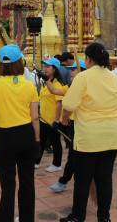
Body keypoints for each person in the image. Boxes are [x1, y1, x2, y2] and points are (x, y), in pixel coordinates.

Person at [60, 43, 117, 222]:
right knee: (104, 178)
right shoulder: (114, 77)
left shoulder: (83, 77)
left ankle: (78, 217)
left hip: (89, 136)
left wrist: (65, 118)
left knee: (82, 179)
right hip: (112, 134)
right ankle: (104, 218)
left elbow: (69, 105)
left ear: (88, 59)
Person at [0, 44, 40, 222]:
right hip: (26, 136)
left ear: (1, 64)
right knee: (27, 182)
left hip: (5, 138)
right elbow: (35, 118)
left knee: (8, 185)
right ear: (20, 62)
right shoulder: (29, 86)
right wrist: (37, 141)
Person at [39, 60, 87, 193]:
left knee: (75, 156)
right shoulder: (70, 86)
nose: (71, 72)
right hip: (74, 124)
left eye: (74, 70)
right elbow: (54, 90)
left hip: (85, 125)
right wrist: (46, 79)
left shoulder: (86, 87)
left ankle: (65, 181)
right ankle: (63, 181)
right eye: (71, 70)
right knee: (73, 155)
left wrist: (63, 117)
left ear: (82, 72)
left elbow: (68, 105)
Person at [36, 57, 64, 172]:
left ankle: (57, 164)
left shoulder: (57, 84)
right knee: (41, 140)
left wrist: (56, 121)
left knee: (55, 142)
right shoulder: (45, 83)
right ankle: (36, 161)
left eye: (48, 67)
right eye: (45, 66)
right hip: (43, 118)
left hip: (53, 119)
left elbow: (59, 104)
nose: (45, 69)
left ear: (54, 69)